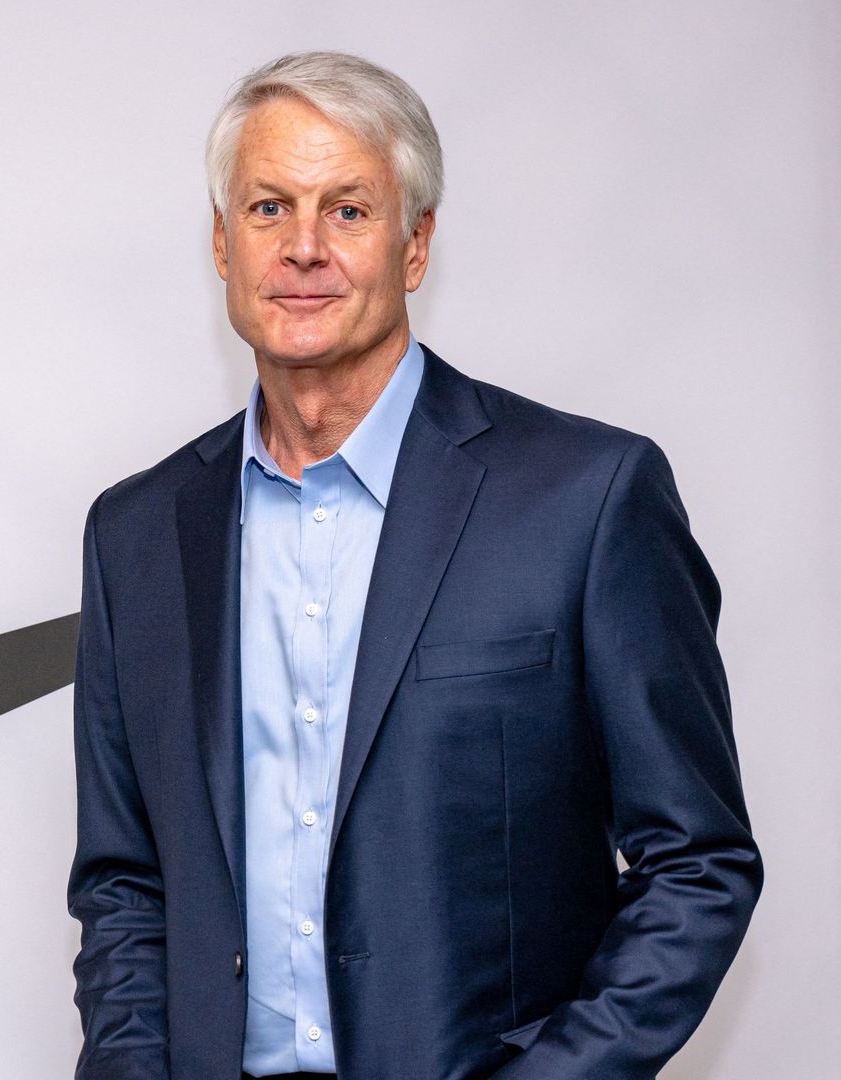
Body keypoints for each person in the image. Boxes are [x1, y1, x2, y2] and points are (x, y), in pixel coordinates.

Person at [66, 51, 761, 1080]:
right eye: (267, 208)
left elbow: (698, 865)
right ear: (222, 243)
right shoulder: (136, 535)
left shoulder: (586, 499)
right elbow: (126, 887)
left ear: (417, 243)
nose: (303, 248)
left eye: (348, 210)